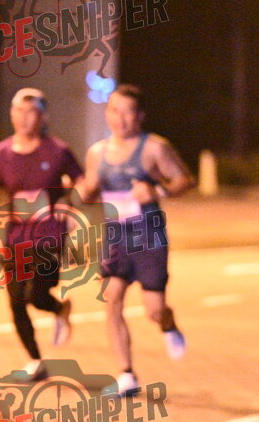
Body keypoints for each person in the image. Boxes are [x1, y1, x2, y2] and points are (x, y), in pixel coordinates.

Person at [77, 84, 194, 397]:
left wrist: (159, 191)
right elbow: (90, 191)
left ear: (140, 115)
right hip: (115, 237)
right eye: (114, 110)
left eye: (128, 112)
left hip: (149, 238)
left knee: (154, 310)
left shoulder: (155, 147)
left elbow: (185, 180)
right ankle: (126, 374)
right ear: (107, 113)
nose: (121, 118)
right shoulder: (96, 153)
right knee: (111, 297)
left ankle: (168, 324)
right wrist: (84, 193)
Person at [0, 88, 83, 381]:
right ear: (12, 115)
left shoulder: (58, 150)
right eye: (19, 111)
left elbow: (83, 182)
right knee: (15, 300)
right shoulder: (2, 153)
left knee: (35, 294)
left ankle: (57, 307)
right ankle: (35, 360)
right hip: (16, 236)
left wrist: (72, 203)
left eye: (31, 112)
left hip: (49, 235)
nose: (24, 118)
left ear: (43, 117)